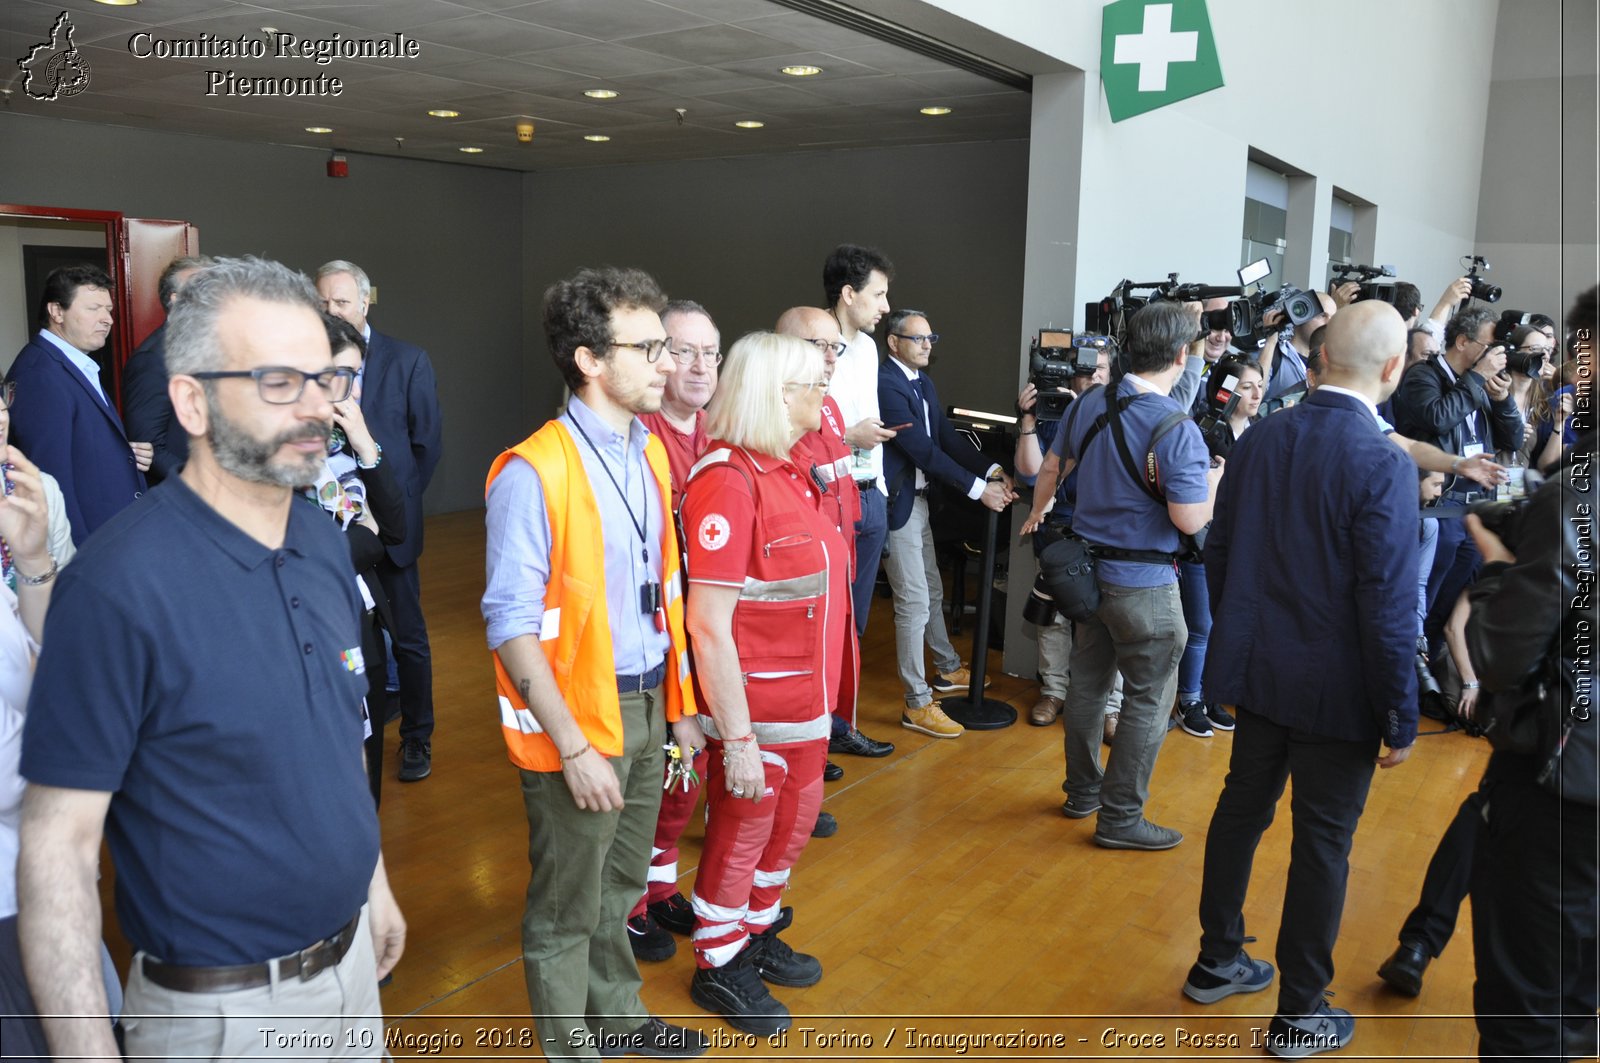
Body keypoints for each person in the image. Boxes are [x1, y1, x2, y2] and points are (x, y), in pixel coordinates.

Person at [17, 256, 405, 1061]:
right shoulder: (117, 585)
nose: (315, 407)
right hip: (221, 1019)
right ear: (190, 399)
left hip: (354, 978)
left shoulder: (320, 543)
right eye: (277, 381)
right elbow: (57, 850)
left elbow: (335, 740)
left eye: (324, 379)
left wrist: (372, 883)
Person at [1182, 300, 1419, 1058]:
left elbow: (1218, 554)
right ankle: (1298, 1011)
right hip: (1337, 691)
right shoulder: (1383, 461)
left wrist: (1242, 642)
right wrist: (1401, 712)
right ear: (1392, 368)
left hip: (1258, 673)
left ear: (1319, 358)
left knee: (1241, 809)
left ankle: (1217, 956)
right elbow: (1386, 606)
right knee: (1323, 843)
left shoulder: (1263, 436)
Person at [482, 266, 707, 1061]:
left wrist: (680, 706)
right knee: (565, 908)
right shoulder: (531, 471)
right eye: (648, 347)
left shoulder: (647, 454)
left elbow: (666, 595)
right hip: (583, 716)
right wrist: (573, 746)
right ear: (588, 359)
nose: (666, 363)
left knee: (619, 889)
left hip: (649, 707)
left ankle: (618, 1019)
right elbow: (509, 625)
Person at [680, 332, 846, 1036]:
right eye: (812, 383)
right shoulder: (727, 477)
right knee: (745, 829)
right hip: (758, 712)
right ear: (776, 396)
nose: (823, 395)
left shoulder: (785, 468)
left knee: (792, 825)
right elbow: (708, 625)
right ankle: (717, 958)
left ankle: (752, 929)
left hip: (808, 705)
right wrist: (738, 740)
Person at [1464, 284, 1596, 1062]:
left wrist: (1496, 571)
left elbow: (1502, 654)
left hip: (1561, 779)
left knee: (1523, 1010)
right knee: (1576, 996)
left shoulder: (1579, 499)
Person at [1048, 302, 1220, 849]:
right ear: (1180, 355)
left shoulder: (1090, 403)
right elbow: (1188, 518)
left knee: (1088, 686)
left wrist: (1038, 511)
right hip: (1145, 586)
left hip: (1087, 577)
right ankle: (1121, 819)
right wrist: (1217, 481)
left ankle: (1082, 791)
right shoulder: (1176, 427)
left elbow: (1055, 467)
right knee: (1149, 697)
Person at [317, 260, 443, 783]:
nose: (332, 310)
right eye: (322, 302)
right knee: (356, 644)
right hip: (333, 534)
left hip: (389, 525)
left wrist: (389, 502)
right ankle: (365, 722)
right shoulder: (311, 363)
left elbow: (426, 447)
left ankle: (416, 738)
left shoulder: (407, 360)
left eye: (341, 302)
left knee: (408, 638)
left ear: (365, 302)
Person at [628, 298, 721, 962]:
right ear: (658, 358)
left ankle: (660, 887)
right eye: (682, 350)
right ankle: (630, 902)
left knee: (689, 769)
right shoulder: (639, 433)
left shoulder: (723, 431)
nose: (698, 365)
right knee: (654, 774)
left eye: (709, 352)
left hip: (709, 631)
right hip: (655, 635)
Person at [877, 309, 1014, 737]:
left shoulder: (924, 383)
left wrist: (991, 468)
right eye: (917, 338)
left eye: (931, 337)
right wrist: (978, 490)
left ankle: (947, 668)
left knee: (932, 588)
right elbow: (923, 451)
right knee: (914, 600)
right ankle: (916, 703)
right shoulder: (886, 384)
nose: (927, 345)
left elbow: (949, 440)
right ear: (894, 343)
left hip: (920, 503)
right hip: (898, 504)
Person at [307, 315, 407, 808]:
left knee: (368, 778)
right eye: (338, 376)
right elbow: (312, 558)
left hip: (364, 622)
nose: (347, 392)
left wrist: (367, 444)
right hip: (317, 633)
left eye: (354, 378)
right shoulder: (278, 453)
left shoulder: (344, 443)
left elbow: (394, 529)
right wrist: (363, 534)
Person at [1390, 306, 1524, 663]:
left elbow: (1512, 439)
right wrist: (1477, 379)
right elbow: (1437, 418)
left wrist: (1503, 400)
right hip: (1437, 506)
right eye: (1489, 345)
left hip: (1474, 507)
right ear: (1462, 341)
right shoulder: (1423, 375)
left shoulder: (1480, 383)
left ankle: (1429, 677)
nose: (1497, 355)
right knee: (1425, 596)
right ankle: (1407, 673)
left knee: (1449, 600)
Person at [775, 305, 863, 796]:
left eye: (836, 346)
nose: (830, 357)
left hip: (836, 564)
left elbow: (839, 487)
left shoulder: (826, 406)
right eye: (818, 345)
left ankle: (817, 754)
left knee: (831, 671)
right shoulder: (779, 412)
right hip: (797, 581)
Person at [1016, 352, 1126, 740]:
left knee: (1110, 619)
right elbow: (1030, 473)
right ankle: (1053, 692)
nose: (1093, 374)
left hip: (1107, 531)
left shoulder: (1122, 412)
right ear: (1071, 373)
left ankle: (1112, 706)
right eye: (1086, 367)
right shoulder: (1053, 412)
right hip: (1058, 530)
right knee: (1053, 619)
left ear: (1113, 375)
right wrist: (1028, 419)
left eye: (1102, 368)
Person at [7, 264, 151, 544]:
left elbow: (79, 445)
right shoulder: (40, 375)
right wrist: (79, 558)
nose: (107, 319)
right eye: (93, 308)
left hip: (114, 536)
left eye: (108, 310)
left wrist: (123, 453)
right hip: (89, 546)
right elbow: (51, 478)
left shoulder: (72, 363)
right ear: (57, 312)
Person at [820, 245, 896, 761]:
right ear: (848, 295)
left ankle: (840, 725)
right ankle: (811, 739)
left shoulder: (868, 349)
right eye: (878, 294)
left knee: (855, 624)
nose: (886, 306)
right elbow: (794, 427)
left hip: (871, 496)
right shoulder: (808, 345)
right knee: (820, 624)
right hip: (828, 497)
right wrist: (851, 435)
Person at [1173, 355, 1264, 739]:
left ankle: (1211, 695)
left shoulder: (1262, 430)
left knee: (1224, 626)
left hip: (1243, 544)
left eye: (1260, 384)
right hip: (1201, 543)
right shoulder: (1204, 431)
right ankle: (1188, 699)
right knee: (1201, 627)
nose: (1257, 392)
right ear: (1225, 390)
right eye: (1247, 386)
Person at [120, 254, 214, 485]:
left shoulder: (208, 347)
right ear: (176, 300)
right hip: (186, 495)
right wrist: (202, 485)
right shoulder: (152, 359)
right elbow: (148, 450)